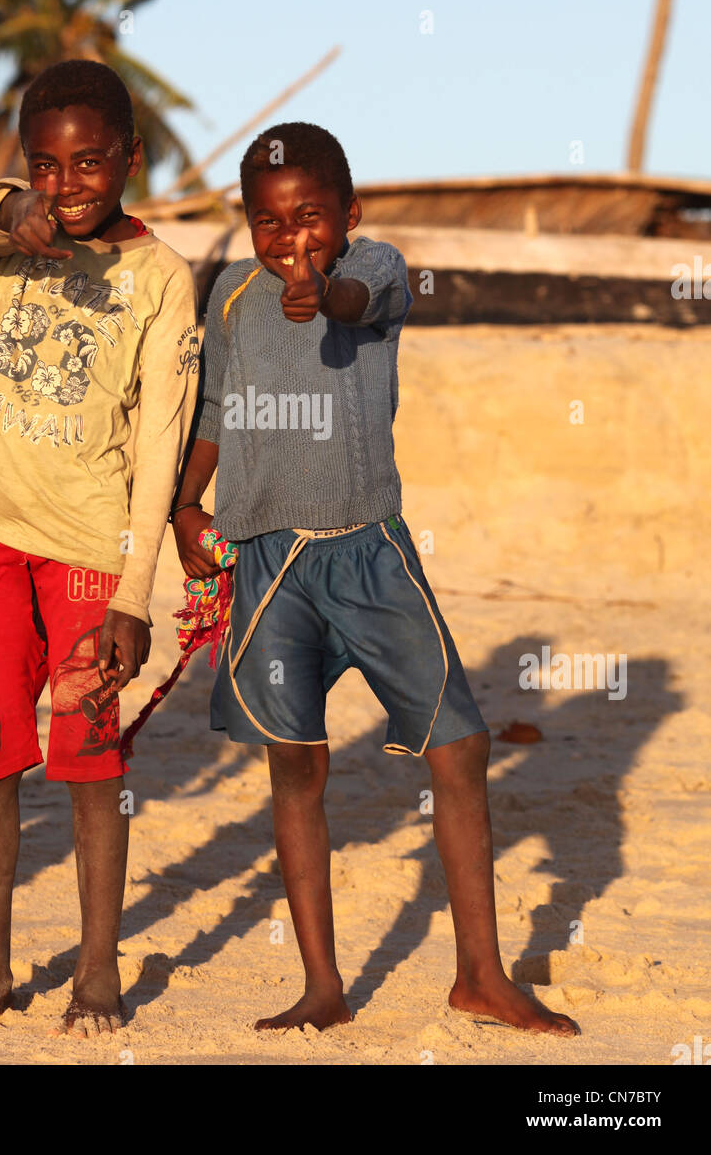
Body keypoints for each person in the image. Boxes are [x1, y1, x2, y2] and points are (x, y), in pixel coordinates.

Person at [172, 121, 578, 1036]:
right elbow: (214, 416)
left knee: (459, 746)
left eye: (309, 219)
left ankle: (481, 973)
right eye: (268, 224)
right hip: (270, 562)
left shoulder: (379, 267)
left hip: (372, 552)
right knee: (297, 764)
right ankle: (324, 984)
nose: (290, 242)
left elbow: (358, 299)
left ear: (347, 215)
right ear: (247, 227)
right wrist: (184, 509)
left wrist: (329, 289)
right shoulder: (232, 297)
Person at [0, 59, 199, 1038]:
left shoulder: (161, 279)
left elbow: (161, 438)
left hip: (88, 541)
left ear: (128, 157)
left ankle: (95, 973)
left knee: (90, 761)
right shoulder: (0, 248)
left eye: (89, 163)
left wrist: (134, 591)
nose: (68, 184)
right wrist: (6, 206)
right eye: (47, 165)